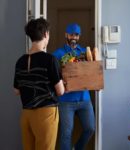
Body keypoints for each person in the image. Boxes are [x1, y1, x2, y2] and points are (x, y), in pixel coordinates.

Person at [13, 18, 65, 150]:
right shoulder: (50, 59)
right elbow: (60, 91)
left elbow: (16, 91)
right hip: (45, 114)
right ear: (46, 34)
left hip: (26, 115)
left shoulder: (20, 61)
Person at [53, 23, 95, 150]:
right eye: (71, 34)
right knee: (66, 133)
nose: (74, 37)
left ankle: (76, 148)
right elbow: (53, 76)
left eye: (76, 35)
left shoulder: (85, 53)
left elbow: (92, 73)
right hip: (66, 100)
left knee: (90, 128)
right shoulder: (57, 54)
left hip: (84, 98)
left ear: (79, 36)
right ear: (66, 35)